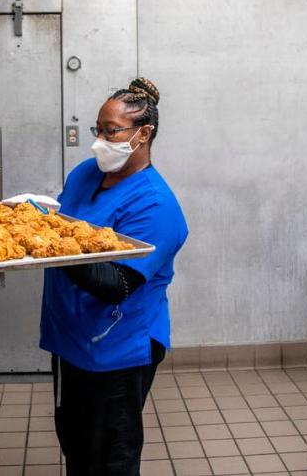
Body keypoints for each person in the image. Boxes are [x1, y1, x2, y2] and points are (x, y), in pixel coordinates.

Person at [40, 77, 189, 475]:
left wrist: (54, 244)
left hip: (116, 348)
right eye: (98, 130)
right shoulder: (85, 174)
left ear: (144, 134)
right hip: (70, 336)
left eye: (111, 132)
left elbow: (118, 285)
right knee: (75, 441)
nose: (99, 142)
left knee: (109, 455)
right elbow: (62, 221)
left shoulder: (156, 205)